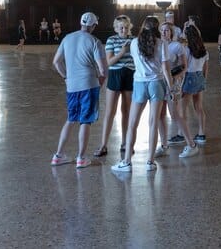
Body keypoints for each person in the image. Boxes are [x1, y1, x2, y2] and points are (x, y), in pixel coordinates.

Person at [111, 16, 173, 174]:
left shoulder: (133, 43)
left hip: (139, 83)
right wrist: (171, 88)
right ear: (157, 28)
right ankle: (150, 162)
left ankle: (126, 162)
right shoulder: (162, 43)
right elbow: (166, 69)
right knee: (153, 123)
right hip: (157, 83)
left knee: (133, 123)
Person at [51, 12, 108, 168]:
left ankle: (58, 155)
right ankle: (81, 158)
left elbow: (56, 62)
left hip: (72, 86)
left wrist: (66, 77)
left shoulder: (67, 38)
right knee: (85, 121)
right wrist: (99, 83)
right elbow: (103, 70)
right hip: (89, 84)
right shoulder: (95, 42)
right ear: (94, 25)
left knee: (71, 119)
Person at [95, 15, 134, 160]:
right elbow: (109, 62)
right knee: (110, 112)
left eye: (126, 27)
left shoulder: (134, 40)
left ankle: (125, 143)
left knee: (127, 111)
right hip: (115, 75)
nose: (124, 30)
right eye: (121, 27)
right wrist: (122, 52)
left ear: (130, 27)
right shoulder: (111, 40)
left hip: (130, 75)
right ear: (116, 28)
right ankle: (103, 145)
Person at [160, 20, 193, 153]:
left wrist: (176, 78)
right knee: (160, 115)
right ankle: (163, 144)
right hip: (159, 82)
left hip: (173, 82)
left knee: (174, 113)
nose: (164, 33)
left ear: (171, 32)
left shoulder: (177, 46)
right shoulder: (157, 45)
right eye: (162, 31)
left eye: (166, 30)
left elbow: (184, 66)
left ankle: (189, 142)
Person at [180, 19, 209, 145]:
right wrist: (203, 80)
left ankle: (182, 134)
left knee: (182, 108)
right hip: (199, 77)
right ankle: (201, 133)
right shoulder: (204, 50)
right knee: (199, 107)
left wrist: (180, 85)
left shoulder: (187, 50)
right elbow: (205, 69)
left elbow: (184, 68)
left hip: (189, 77)